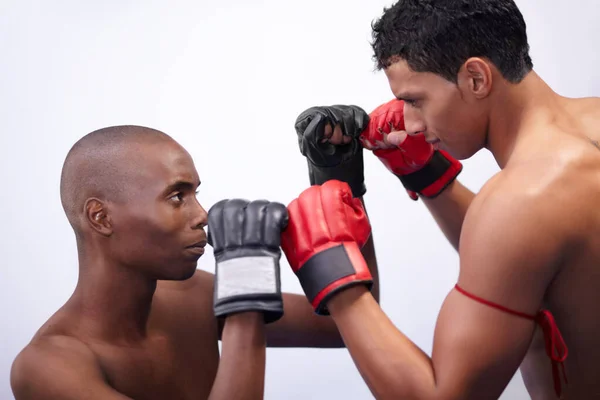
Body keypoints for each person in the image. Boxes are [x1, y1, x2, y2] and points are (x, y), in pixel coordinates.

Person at [288, 0, 600, 398]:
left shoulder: (521, 202)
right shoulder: (587, 128)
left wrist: (333, 270)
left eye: (415, 100)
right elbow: (525, 255)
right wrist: (426, 175)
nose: (410, 122)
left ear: (475, 78)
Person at [9, 125, 381, 399]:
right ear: (101, 218)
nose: (202, 214)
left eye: (195, 194)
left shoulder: (193, 295)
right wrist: (245, 293)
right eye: (176, 197)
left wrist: (342, 188)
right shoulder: (47, 369)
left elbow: (345, 326)